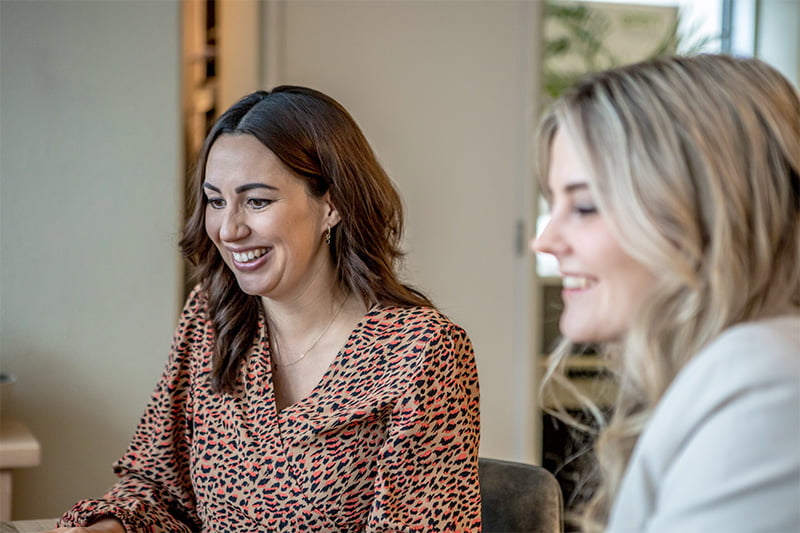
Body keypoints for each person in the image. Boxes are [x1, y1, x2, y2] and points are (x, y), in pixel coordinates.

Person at [50, 86, 481, 532]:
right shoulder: (212, 318)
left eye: (257, 201)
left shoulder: (422, 351)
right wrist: (107, 527)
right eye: (216, 201)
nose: (229, 229)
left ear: (331, 204)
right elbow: (158, 490)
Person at [533, 54, 799, 533]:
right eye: (554, 204)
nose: (545, 241)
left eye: (586, 206)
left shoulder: (766, 378)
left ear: (709, 215)